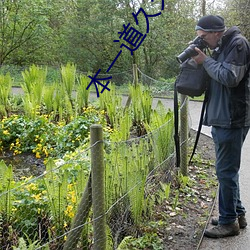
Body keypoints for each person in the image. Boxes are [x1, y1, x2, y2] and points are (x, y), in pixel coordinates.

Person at [192, 15, 250, 238]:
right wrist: (202, 60)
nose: (203, 41)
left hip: (232, 118)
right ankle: (237, 214)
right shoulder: (221, 46)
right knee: (227, 171)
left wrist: (205, 61)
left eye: (204, 37)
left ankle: (228, 223)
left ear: (216, 32)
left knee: (225, 171)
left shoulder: (238, 44)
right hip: (222, 117)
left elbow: (229, 77)